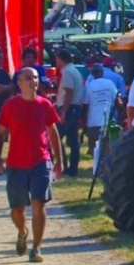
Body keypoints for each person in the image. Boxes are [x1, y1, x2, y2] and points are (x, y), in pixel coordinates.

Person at [0, 67, 64, 262]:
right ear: (19, 83)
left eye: (35, 77)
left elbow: (52, 131)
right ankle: (22, 231)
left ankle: (37, 248)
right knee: (17, 209)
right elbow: (0, 133)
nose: (33, 81)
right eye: (28, 78)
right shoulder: (10, 106)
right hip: (16, 163)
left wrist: (59, 160)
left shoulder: (45, 105)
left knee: (38, 203)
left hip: (40, 161)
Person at [53, 49, 84, 177]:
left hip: (69, 108)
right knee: (73, 140)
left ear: (61, 59)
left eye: (57, 59)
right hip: (75, 107)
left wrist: (63, 111)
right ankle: (73, 169)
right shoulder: (74, 70)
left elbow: (69, 92)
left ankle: (63, 166)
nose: (56, 61)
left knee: (57, 137)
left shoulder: (67, 72)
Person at [81, 60, 119, 164]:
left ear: (92, 73)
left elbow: (85, 106)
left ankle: (96, 166)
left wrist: (84, 124)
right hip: (107, 120)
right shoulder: (110, 84)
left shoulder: (89, 86)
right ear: (102, 72)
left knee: (93, 146)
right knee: (107, 146)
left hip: (93, 121)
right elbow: (118, 101)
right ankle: (105, 166)